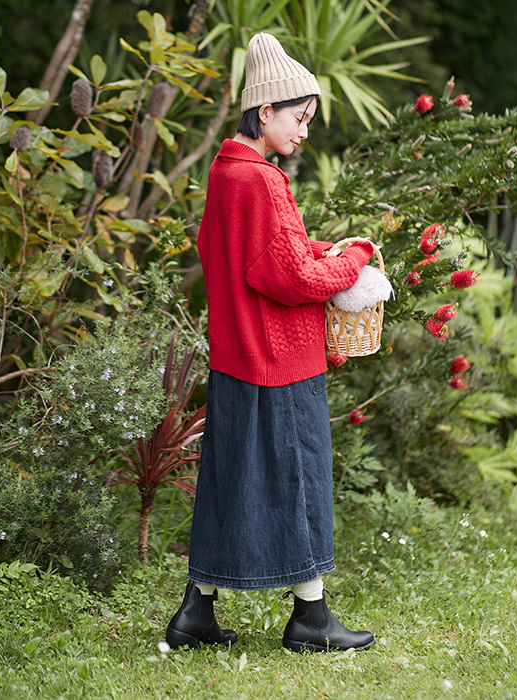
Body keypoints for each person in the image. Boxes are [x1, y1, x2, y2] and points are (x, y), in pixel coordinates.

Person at [165, 32, 375, 654]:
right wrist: (355, 257)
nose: (305, 130)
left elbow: (263, 257)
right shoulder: (261, 181)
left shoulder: (227, 173)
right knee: (298, 478)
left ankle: (196, 613)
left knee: (231, 482)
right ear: (265, 112)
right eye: (299, 117)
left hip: (240, 356)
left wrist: (322, 251)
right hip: (280, 360)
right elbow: (288, 276)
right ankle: (311, 619)